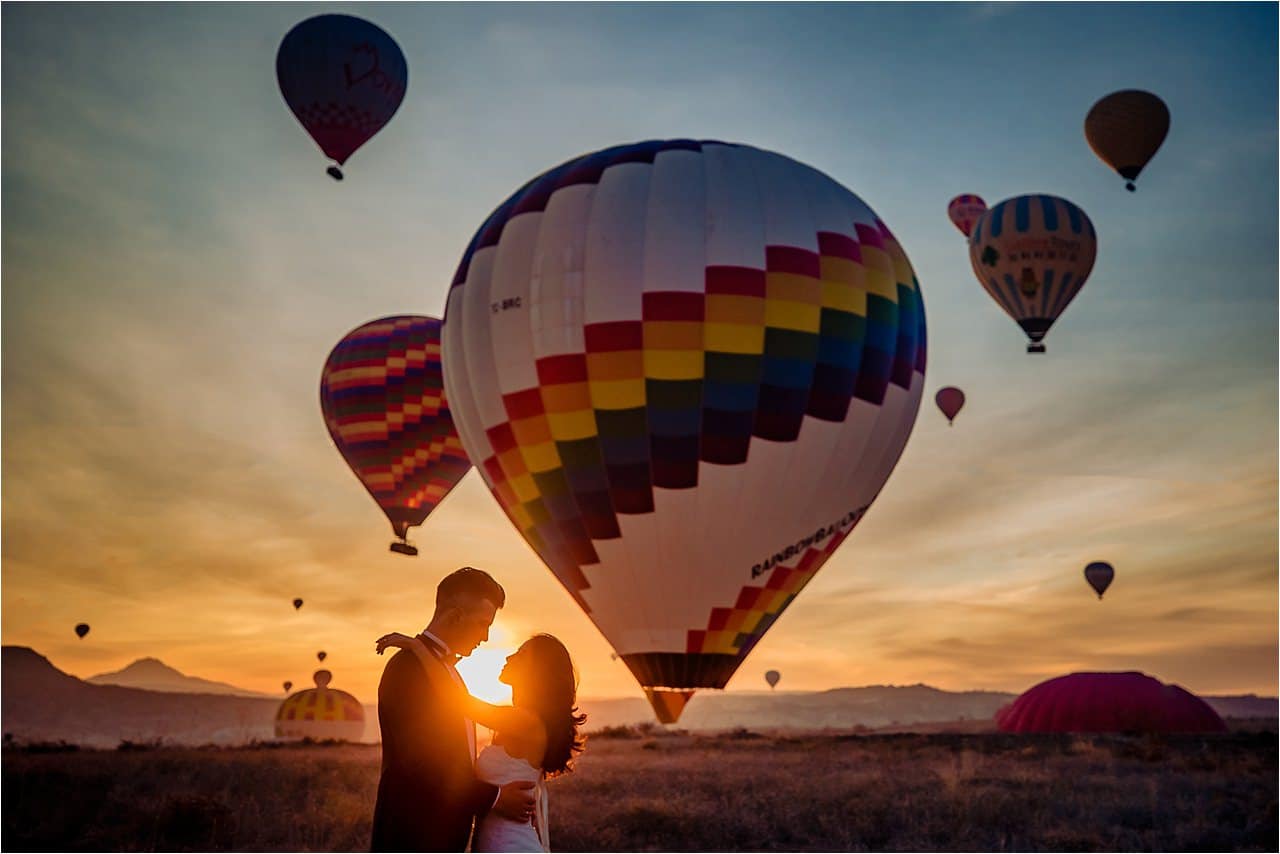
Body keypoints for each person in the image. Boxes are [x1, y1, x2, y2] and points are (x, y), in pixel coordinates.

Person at [370, 567, 537, 852]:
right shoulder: (408, 668)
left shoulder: (444, 671)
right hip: (414, 836)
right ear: (455, 616)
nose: (485, 637)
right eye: (483, 624)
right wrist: (495, 797)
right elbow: (420, 765)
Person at [375, 631, 587, 852]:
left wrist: (419, 648)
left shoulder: (526, 722)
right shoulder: (518, 721)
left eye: (520, 654)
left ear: (537, 673)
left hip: (511, 846)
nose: (509, 657)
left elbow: (459, 702)